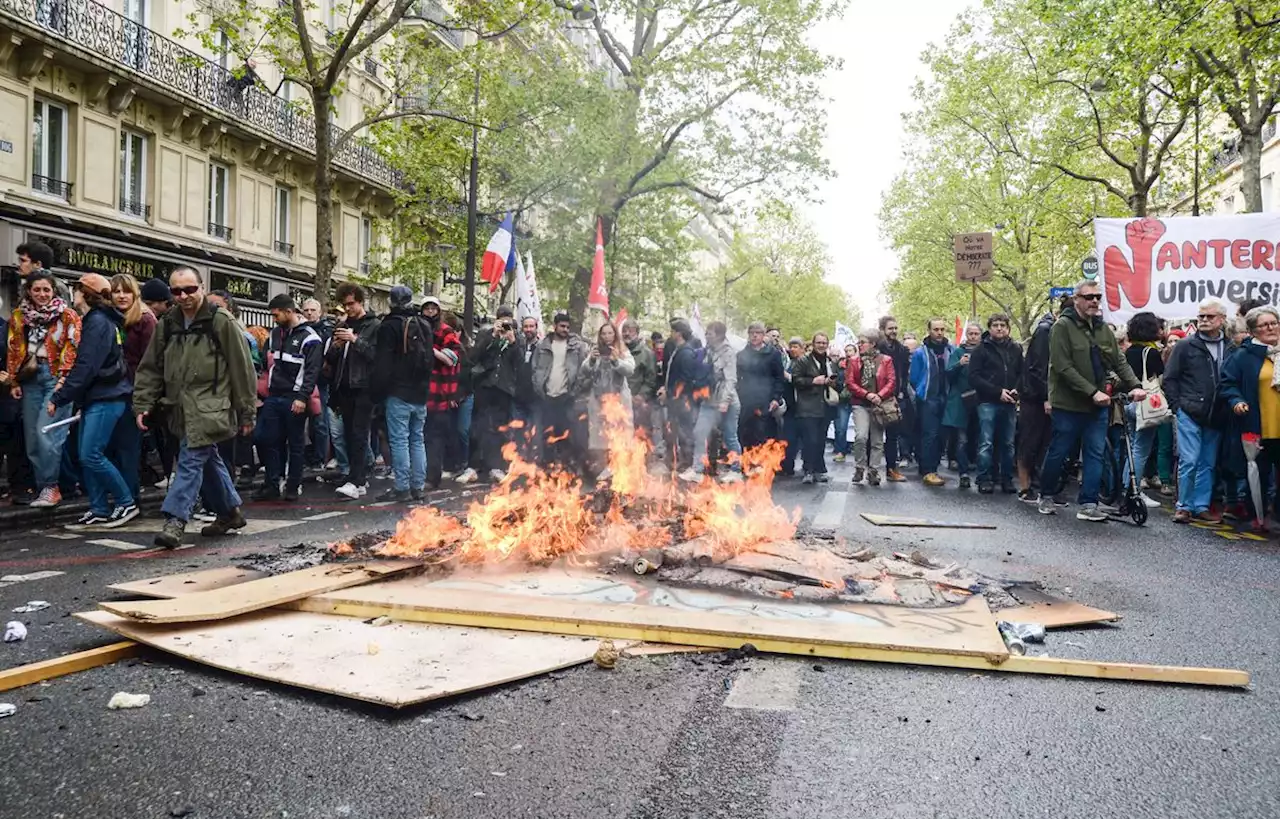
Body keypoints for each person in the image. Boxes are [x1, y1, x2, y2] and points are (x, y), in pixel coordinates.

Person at [133, 267, 256, 548]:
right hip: (179, 408)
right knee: (208, 459)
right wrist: (143, 403)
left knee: (189, 461)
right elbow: (151, 367)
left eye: (190, 289)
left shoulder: (220, 321)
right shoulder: (167, 324)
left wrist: (247, 411)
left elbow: (242, 369)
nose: (184, 296)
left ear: (201, 287)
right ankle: (229, 511)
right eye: (177, 291)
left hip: (211, 408)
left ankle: (175, 520)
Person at [1037, 280, 1145, 522]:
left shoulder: (1103, 329)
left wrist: (1135, 385)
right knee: (1060, 450)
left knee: (1095, 452)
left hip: (1098, 405)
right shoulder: (1062, 327)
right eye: (1088, 297)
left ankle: (1088, 503)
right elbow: (1062, 366)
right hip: (1068, 404)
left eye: (1097, 296)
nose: (1094, 301)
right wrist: (1091, 392)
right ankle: (1045, 494)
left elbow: (1119, 361)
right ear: (1076, 300)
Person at [48, 274, 137, 528]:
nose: (73, 296)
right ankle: (99, 507)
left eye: (76, 291)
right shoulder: (100, 321)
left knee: (91, 455)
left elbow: (86, 366)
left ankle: (125, 502)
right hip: (100, 396)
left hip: (105, 397)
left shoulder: (97, 322)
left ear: (84, 294)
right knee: (88, 455)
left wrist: (60, 396)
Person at [7, 271, 81, 508]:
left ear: (54, 291)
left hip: (55, 377)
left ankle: (51, 486)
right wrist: (14, 381)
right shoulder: (19, 316)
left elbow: (72, 349)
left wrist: (62, 382)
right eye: (37, 289)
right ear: (29, 290)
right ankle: (47, 487)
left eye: (46, 290)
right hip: (30, 379)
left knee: (46, 432)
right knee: (32, 437)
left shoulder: (67, 316)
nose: (41, 294)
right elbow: (14, 348)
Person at [1164, 297, 1231, 523]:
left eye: (1209, 316)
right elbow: (1170, 378)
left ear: (1221, 319)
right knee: (1189, 459)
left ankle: (1200, 505)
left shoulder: (1230, 346)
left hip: (1217, 413)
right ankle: (1183, 506)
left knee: (1208, 462)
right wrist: (1177, 407)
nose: (1203, 320)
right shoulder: (1185, 345)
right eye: (1200, 316)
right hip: (1190, 410)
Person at [253, 295, 322, 501]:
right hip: (274, 396)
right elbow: (267, 365)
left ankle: (293, 484)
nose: (273, 319)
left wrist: (302, 397)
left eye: (276, 315)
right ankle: (272, 483)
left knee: (295, 443)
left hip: (294, 396)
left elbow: (312, 371)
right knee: (268, 440)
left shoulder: (310, 338)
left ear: (289, 311)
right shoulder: (274, 334)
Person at [1219, 305, 1280, 533]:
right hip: (1258, 425)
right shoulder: (1243, 356)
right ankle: (1258, 516)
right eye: (1264, 325)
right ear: (1254, 331)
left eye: (1274, 323)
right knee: (1259, 475)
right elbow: (1227, 384)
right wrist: (1236, 401)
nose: (1271, 328)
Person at [371, 286, 430, 502]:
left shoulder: (390, 326)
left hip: (398, 392)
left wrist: (377, 392)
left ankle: (402, 486)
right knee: (417, 439)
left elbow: (383, 364)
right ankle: (418, 487)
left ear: (392, 302)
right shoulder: (423, 324)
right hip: (420, 393)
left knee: (399, 440)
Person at [325, 283, 380, 500]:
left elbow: (376, 356)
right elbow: (329, 358)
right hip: (344, 386)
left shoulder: (374, 325)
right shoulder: (342, 324)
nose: (348, 308)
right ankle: (359, 476)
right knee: (348, 434)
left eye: (351, 304)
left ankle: (356, 480)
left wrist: (355, 340)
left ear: (360, 301)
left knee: (359, 433)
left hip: (364, 387)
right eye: (344, 305)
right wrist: (336, 346)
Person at [110, 273, 156, 496]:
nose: (121, 296)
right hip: (113, 390)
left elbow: (152, 361)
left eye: (126, 291)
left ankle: (130, 498)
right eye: (116, 291)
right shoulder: (112, 318)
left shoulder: (145, 320)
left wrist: (145, 397)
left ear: (135, 293)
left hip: (134, 391)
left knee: (128, 449)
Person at [967, 313, 1023, 494]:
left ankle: (1006, 478)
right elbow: (974, 377)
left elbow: (1022, 373)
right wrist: (998, 392)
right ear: (989, 328)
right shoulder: (980, 350)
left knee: (1008, 443)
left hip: (1010, 402)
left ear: (1008, 328)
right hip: (987, 402)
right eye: (996, 325)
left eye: (1003, 325)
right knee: (986, 442)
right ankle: (984, 477)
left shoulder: (1016, 349)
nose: (999, 328)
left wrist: (1016, 390)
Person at [684, 320, 743, 483]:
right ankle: (697, 470)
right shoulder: (706, 351)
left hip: (727, 401)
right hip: (708, 400)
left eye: (709, 333)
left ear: (718, 335)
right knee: (700, 432)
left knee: (730, 435)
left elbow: (730, 380)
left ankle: (736, 469)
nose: (706, 336)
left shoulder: (728, 353)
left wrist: (725, 401)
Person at [1118, 312, 1166, 509]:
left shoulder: (1129, 352)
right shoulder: (1151, 353)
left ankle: (1124, 488)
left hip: (1129, 403)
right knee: (1141, 450)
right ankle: (1134, 490)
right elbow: (1161, 378)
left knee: (1132, 448)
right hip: (1146, 405)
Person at [577, 321, 635, 480]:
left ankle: (618, 467)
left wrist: (616, 360)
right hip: (599, 400)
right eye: (604, 334)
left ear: (615, 334)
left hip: (618, 400)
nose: (607, 336)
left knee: (619, 434)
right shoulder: (595, 350)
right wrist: (592, 360)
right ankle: (605, 467)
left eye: (610, 333)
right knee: (602, 437)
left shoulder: (622, 350)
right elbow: (584, 371)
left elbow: (630, 370)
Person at [531, 312, 588, 474]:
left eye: (568, 327)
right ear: (555, 326)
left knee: (567, 435)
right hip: (547, 396)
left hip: (566, 397)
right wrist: (539, 389)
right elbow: (535, 369)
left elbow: (582, 372)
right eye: (562, 326)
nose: (565, 329)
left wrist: (573, 392)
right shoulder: (543, 346)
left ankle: (566, 468)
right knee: (546, 434)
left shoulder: (576, 347)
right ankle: (548, 467)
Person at [470, 307, 521, 482]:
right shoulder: (486, 334)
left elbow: (520, 364)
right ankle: (474, 465)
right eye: (502, 320)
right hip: (485, 385)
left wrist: (513, 342)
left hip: (504, 389)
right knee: (479, 426)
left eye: (509, 320)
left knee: (500, 429)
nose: (506, 324)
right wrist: (493, 335)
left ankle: (497, 466)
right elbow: (474, 356)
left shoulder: (516, 338)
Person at [1017, 307, 1059, 503]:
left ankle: (1041, 487)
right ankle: (1025, 487)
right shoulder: (1045, 331)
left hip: (1049, 395)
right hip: (1034, 396)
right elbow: (1038, 368)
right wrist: (1045, 396)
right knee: (1030, 442)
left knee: (1046, 444)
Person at [846, 327, 896, 486]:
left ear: (873, 344)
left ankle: (873, 471)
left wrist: (879, 395)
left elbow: (891, 381)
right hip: (860, 403)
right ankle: (860, 467)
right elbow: (850, 382)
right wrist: (867, 394)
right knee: (861, 436)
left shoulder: (886, 360)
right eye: (858, 342)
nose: (859, 345)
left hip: (879, 404)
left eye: (863, 342)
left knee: (877, 440)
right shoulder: (854, 361)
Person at [422, 297, 463, 488]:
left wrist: (431, 351)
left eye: (433, 308)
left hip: (439, 395)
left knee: (434, 438)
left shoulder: (446, 332)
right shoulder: (418, 329)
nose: (430, 312)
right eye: (426, 308)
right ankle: (420, 475)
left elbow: (452, 359)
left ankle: (432, 477)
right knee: (419, 438)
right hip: (418, 392)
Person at [909, 318, 954, 487]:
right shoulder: (921, 353)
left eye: (942, 329)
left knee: (943, 435)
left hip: (947, 397)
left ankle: (931, 466)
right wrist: (921, 393)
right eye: (936, 329)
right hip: (928, 398)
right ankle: (929, 470)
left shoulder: (951, 350)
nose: (939, 332)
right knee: (930, 434)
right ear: (929, 331)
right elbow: (913, 377)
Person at [790, 332, 838, 483]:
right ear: (812, 344)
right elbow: (795, 379)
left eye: (824, 343)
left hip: (825, 407)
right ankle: (808, 470)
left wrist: (833, 382)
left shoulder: (830, 362)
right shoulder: (803, 361)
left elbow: (840, 381)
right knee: (810, 439)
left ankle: (819, 469)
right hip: (808, 406)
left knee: (821, 440)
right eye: (819, 342)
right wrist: (813, 381)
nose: (822, 345)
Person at [735, 321, 786, 453]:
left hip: (765, 401)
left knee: (763, 435)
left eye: (758, 333)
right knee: (745, 434)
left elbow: (779, 378)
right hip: (746, 401)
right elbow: (737, 378)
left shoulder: (773, 354)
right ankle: (747, 466)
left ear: (763, 335)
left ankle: (763, 467)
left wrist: (776, 398)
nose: (755, 336)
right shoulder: (741, 355)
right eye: (752, 333)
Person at [660, 320, 703, 475]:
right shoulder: (678, 350)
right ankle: (676, 460)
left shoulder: (685, 353)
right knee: (674, 430)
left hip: (682, 400)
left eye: (672, 331)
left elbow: (685, 380)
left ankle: (687, 462)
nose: (670, 334)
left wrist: (670, 393)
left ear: (678, 333)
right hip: (675, 400)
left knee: (684, 431)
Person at [943, 323, 981, 489]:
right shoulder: (958, 352)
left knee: (981, 438)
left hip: (981, 400)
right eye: (970, 333)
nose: (973, 336)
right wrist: (959, 364)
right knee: (962, 439)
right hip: (960, 401)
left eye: (976, 333)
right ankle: (963, 472)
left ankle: (983, 473)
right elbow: (949, 374)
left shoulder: (984, 352)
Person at [877, 316, 912, 482]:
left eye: (896, 328)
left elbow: (904, 374)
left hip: (895, 397)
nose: (894, 331)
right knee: (874, 437)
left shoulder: (902, 350)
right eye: (890, 328)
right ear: (883, 330)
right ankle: (872, 470)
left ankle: (891, 469)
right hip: (876, 397)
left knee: (893, 436)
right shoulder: (876, 348)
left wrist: (901, 392)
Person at [621, 319, 658, 447]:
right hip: (619, 402)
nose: (626, 334)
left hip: (638, 403)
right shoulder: (618, 352)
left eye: (630, 331)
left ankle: (643, 463)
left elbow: (651, 379)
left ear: (637, 333)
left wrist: (642, 396)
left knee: (640, 435)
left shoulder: (647, 353)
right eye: (624, 331)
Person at [512, 316, 540, 457]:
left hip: (535, 398)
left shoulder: (542, 348)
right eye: (526, 326)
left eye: (531, 326)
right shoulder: (519, 346)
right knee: (517, 431)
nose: (528, 329)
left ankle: (532, 461)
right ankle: (519, 461)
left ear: (536, 327)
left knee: (532, 431)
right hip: (519, 397)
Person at [832, 343, 855, 463]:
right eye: (846, 351)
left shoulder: (861, 365)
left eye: (851, 350)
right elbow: (836, 381)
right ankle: (841, 451)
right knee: (841, 427)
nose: (848, 353)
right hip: (844, 400)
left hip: (858, 399)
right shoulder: (839, 366)